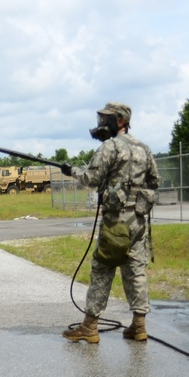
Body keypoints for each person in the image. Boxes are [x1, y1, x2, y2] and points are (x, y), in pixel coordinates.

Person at [61, 102, 160, 344]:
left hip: (116, 222)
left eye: (107, 119)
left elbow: (92, 178)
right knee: (136, 271)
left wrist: (71, 171)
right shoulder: (144, 148)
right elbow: (154, 180)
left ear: (120, 121)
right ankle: (138, 326)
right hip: (138, 222)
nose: (103, 124)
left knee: (102, 270)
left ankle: (90, 326)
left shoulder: (110, 147)